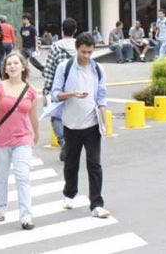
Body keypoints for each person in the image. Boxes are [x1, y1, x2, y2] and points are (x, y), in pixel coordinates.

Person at [42, 32, 111, 219]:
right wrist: (72, 94)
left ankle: (96, 204)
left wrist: (104, 124)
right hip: (71, 124)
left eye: (90, 52)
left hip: (92, 124)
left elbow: (101, 97)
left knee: (94, 164)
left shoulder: (98, 70)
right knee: (71, 163)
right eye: (83, 52)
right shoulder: (65, 67)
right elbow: (55, 93)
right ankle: (69, 193)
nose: (87, 56)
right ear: (77, 49)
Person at [0, 51, 39, 229]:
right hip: (1, 139)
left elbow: (33, 116)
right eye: (9, 64)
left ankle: (26, 216)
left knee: (23, 177)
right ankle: (0, 206)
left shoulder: (30, 91)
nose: (12, 66)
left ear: (23, 67)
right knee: (2, 175)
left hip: (23, 138)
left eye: (16, 63)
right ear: (5, 69)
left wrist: (36, 134)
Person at [41, 17, 78, 150]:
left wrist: (46, 89)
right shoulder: (80, 46)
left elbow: (50, 69)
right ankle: (74, 143)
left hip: (59, 86)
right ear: (75, 30)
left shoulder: (55, 46)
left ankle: (63, 141)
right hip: (77, 86)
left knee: (56, 116)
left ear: (62, 30)